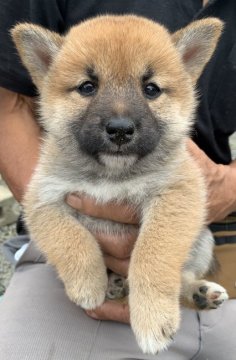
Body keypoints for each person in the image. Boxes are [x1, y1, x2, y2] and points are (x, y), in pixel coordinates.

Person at [0, 0, 236, 359]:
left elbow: (177, 200)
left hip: (219, 239)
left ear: (189, 62)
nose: (121, 119)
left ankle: (184, 289)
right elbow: (40, 202)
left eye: (152, 89)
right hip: (63, 281)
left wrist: (153, 280)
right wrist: (79, 261)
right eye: (87, 87)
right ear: (45, 66)